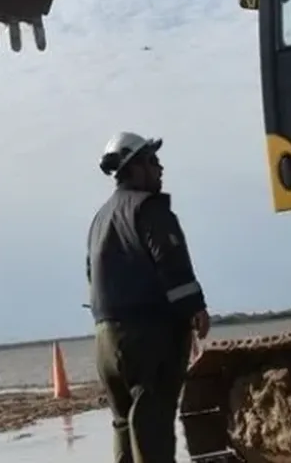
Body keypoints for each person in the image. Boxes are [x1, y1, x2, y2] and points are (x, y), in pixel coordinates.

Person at [87, 132, 209, 463]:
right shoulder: (149, 208)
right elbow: (170, 259)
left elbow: (92, 275)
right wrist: (195, 307)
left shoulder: (100, 218)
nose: (160, 168)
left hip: (106, 341)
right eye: (153, 161)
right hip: (145, 338)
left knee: (124, 425)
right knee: (152, 426)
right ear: (135, 168)